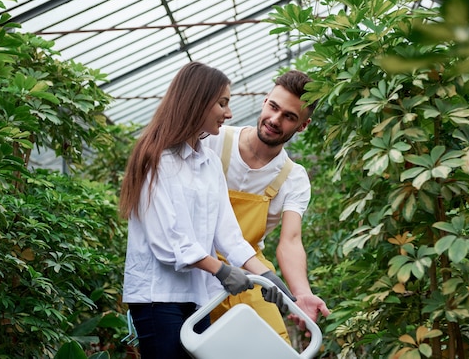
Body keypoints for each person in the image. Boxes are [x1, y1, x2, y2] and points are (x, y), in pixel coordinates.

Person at [120, 61, 293, 359]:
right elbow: (167, 241)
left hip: (198, 295)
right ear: (196, 101)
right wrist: (221, 270)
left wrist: (267, 274)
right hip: (157, 297)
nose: (229, 114)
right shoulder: (156, 158)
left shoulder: (208, 162)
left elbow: (228, 234)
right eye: (222, 103)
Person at [205, 69, 330, 343]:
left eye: (289, 117)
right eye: (274, 107)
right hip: (200, 264)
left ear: (303, 125)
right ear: (265, 101)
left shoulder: (292, 177)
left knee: (273, 343)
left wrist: (302, 293)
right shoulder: (214, 140)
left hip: (250, 271)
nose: (275, 120)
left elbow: (291, 240)